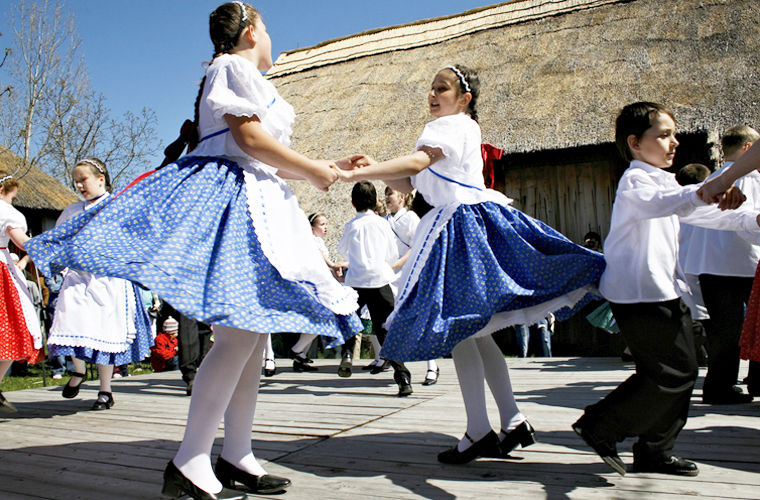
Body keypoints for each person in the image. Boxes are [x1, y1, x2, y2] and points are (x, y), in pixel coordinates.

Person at [26, 4, 361, 499]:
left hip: (257, 199)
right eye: (266, 27)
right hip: (232, 203)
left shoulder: (245, 74)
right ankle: (190, 459)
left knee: (248, 340)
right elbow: (247, 138)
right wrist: (311, 169)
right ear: (250, 32)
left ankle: (236, 453)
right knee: (237, 338)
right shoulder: (232, 67)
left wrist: (321, 165)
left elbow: (261, 149)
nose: (270, 36)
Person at [334, 65, 606, 464]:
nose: (432, 93)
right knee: (477, 333)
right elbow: (411, 181)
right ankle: (511, 421)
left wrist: (354, 172)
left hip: (456, 228)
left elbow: (414, 166)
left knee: (462, 331)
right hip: (464, 223)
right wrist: (379, 166)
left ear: (465, 98)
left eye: (442, 88)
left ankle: (480, 431)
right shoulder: (459, 128)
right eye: (430, 88)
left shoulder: (448, 126)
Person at [572, 102, 760, 478]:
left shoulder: (663, 179)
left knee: (680, 373)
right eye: (663, 134)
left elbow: (697, 211)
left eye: (674, 133)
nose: (674, 142)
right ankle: (600, 425)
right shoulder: (635, 182)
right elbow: (669, 204)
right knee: (671, 373)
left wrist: (751, 218)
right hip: (640, 295)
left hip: (665, 292)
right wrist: (710, 188)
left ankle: (655, 450)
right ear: (635, 143)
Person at [44, 158, 153, 411]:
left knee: (106, 332)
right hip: (79, 278)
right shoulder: (72, 210)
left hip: (109, 279)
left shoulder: (119, 206)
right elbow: (56, 240)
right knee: (67, 320)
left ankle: (106, 390)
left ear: (100, 179)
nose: (79, 185)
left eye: (83, 180)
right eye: (76, 181)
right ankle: (79, 371)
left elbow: (135, 239)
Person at [683, 127, 760, 404]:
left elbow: (689, 231)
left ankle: (718, 384)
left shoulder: (712, 180)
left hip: (709, 266)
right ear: (749, 149)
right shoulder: (749, 180)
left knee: (723, 331)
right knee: (754, 327)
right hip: (747, 265)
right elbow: (752, 225)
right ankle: (755, 379)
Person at [337, 181, 413, 396]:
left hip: (356, 281)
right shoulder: (382, 224)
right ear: (376, 201)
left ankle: (348, 353)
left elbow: (343, 250)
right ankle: (402, 376)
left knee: (349, 318)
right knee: (385, 328)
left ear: (353, 203)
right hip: (379, 280)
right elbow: (391, 255)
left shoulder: (351, 225)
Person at [384, 186, 439, 384]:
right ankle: (390, 361)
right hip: (389, 275)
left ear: (402, 195)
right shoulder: (384, 220)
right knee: (390, 319)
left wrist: (398, 264)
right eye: (385, 194)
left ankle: (432, 365)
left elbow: (418, 245)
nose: (386, 197)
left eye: (390, 193)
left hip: (409, 272)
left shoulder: (411, 218)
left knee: (418, 319)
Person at [0, 172, 43, 412]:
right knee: (14, 328)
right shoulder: (6, 212)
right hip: (1, 266)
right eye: (12, 196)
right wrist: (42, 246)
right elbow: (21, 241)